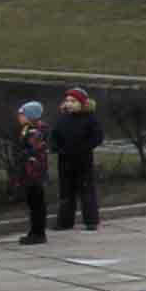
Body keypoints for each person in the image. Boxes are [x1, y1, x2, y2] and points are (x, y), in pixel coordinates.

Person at [45, 89, 102, 232]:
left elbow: (97, 137)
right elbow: (54, 136)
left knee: (87, 191)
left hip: (83, 160)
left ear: (82, 103)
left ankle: (91, 221)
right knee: (66, 193)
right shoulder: (62, 118)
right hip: (65, 161)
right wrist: (56, 148)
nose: (69, 104)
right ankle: (65, 222)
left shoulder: (90, 118)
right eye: (68, 101)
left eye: (73, 101)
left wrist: (83, 148)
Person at [7, 103, 49, 245]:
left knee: (37, 203)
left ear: (31, 116)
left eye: (22, 114)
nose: (19, 117)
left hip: (34, 172)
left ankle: (38, 233)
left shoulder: (35, 131)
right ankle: (34, 231)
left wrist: (22, 155)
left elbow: (34, 149)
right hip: (28, 172)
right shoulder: (27, 129)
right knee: (33, 203)